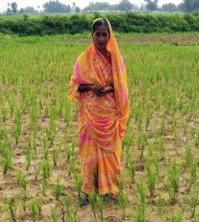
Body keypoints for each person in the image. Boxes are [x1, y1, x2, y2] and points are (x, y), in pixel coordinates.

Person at [68, 18, 129, 206]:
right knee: (88, 154)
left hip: (109, 114)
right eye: (98, 34)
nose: (101, 39)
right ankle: (87, 191)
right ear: (92, 35)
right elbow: (74, 86)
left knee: (110, 153)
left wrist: (108, 89)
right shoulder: (83, 60)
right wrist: (90, 87)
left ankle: (109, 191)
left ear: (109, 36)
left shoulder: (115, 60)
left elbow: (120, 86)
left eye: (104, 34)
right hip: (89, 114)